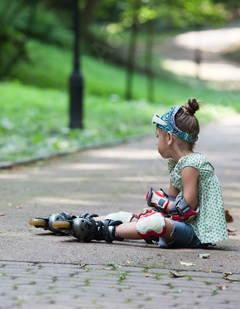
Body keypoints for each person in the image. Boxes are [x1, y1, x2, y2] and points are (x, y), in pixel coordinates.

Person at [30, 98, 229, 248]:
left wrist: (160, 204)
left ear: (169, 138)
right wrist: (160, 207)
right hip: (180, 227)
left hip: (195, 235)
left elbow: (186, 208)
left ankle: (100, 231)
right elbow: (172, 201)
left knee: (154, 222)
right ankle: (79, 221)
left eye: (157, 136)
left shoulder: (191, 165)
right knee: (129, 216)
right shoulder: (176, 164)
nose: (156, 141)